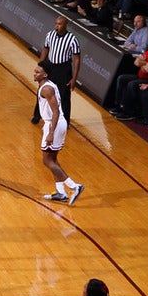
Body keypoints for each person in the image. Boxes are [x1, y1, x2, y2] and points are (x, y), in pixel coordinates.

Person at [35, 60, 86, 206]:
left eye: (38, 72)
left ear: (45, 74)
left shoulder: (47, 89)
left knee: (46, 160)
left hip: (54, 124)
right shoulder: (48, 85)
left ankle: (74, 186)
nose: (35, 73)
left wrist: (51, 132)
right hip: (55, 123)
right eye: (35, 71)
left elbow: (56, 111)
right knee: (53, 159)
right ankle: (61, 193)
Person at [33, 16, 79, 124]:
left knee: (64, 96)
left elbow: (76, 60)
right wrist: (40, 66)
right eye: (56, 24)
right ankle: (37, 115)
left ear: (65, 25)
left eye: (59, 24)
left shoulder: (73, 39)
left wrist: (74, 78)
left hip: (64, 69)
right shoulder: (50, 35)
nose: (56, 26)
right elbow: (45, 49)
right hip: (50, 67)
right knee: (42, 91)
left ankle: (65, 121)